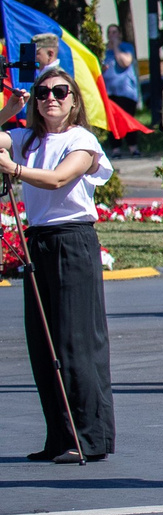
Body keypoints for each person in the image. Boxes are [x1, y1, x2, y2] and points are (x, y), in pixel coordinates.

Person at [1, 62, 113, 461]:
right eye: (43, 92)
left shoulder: (81, 140)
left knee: (74, 341)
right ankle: (60, 437)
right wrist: (6, 109)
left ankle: (88, 436)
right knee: (43, 342)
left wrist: (13, 168)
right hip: (40, 240)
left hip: (73, 239)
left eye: (60, 92)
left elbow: (59, 179)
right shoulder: (26, 137)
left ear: (73, 101)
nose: (51, 98)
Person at [101, 27, 141, 122]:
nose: (111, 35)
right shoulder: (104, 50)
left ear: (120, 34)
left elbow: (125, 63)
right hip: (109, 93)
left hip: (125, 93)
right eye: (109, 32)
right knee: (113, 125)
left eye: (114, 32)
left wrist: (115, 46)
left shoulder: (126, 47)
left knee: (127, 123)